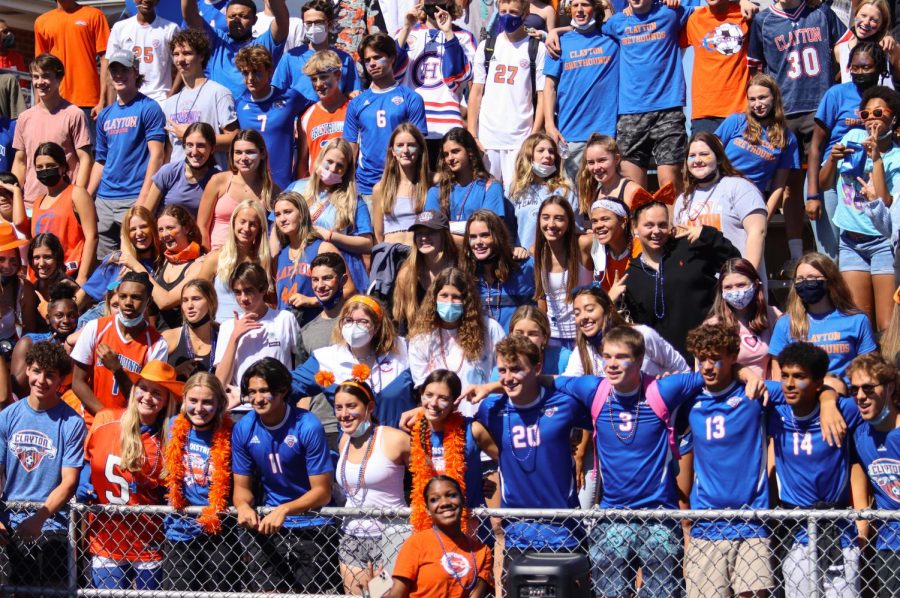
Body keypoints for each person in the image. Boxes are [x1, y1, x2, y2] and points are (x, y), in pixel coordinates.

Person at [681, 323, 784, 597]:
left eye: (715, 358)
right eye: (701, 358)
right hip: (707, 522)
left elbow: (807, 386)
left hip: (752, 521)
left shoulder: (755, 393)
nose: (707, 366)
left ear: (731, 357)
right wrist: (686, 525)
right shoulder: (689, 398)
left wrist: (830, 398)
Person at [748, 0, 844, 264]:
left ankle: (830, 252)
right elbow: (756, 69)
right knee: (790, 186)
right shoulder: (763, 21)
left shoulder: (822, 13)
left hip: (819, 107)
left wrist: (840, 84)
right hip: (785, 110)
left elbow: (845, 47)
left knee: (826, 181)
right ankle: (796, 255)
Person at [231, 357, 335, 593]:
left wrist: (285, 509)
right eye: (252, 392)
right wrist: (243, 506)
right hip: (270, 525)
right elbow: (242, 488)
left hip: (311, 525)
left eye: (265, 391)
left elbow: (322, 492)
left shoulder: (308, 425)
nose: (257, 398)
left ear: (283, 390)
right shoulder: (244, 428)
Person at [770, 342, 863, 597]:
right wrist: (745, 373)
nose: (789, 383)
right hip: (796, 534)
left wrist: (829, 400)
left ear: (817, 382)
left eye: (799, 377)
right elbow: (737, 375)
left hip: (839, 532)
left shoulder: (844, 410)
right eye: (785, 375)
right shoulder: (775, 410)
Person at [78, 361, 181, 590]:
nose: (147, 397)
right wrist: (83, 485)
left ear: (166, 402)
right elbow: (88, 462)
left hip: (147, 541)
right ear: (134, 389)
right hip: (106, 539)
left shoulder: (168, 441)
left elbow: (167, 493)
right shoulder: (105, 419)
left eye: (157, 393)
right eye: (143, 388)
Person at [0, 341, 84, 589]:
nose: (41, 380)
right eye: (36, 371)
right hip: (9, 519)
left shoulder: (72, 422)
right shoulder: (7, 416)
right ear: (27, 370)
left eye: (50, 375)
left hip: (52, 522)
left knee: (51, 590)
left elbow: (69, 482)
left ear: (61, 380)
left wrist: (39, 518)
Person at [819, 85, 899, 332]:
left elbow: (885, 203)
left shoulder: (896, 157)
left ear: (893, 117)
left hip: (882, 243)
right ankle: (866, 370)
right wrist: (832, 159)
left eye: (879, 113)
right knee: (859, 321)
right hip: (851, 241)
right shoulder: (850, 138)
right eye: (865, 114)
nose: (871, 119)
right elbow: (823, 183)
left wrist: (875, 158)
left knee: (887, 325)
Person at [623, 196, 741, 360]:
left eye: (662, 225)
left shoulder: (690, 248)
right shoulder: (631, 275)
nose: (656, 231)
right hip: (662, 365)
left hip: (706, 354)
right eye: (649, 225)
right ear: (635, 227)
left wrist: (707, 234)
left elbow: (734, 263)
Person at [333, 371, 411, 594]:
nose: (344, 414)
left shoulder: (394, 438)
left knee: (381, 595)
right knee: (357, 596)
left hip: (391, 536)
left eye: (351, 406)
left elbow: (429, 478)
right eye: (339, 407)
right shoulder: (344, 441)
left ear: (370, 407)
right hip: (352, 536)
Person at [603, 0, 692, 194]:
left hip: (667, 108)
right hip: (631, 112)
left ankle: (673, 225)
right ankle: (637, 225)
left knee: (670, 183)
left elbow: (711, 11)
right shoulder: (618, 22)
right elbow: (586, 29)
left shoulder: (670, 14)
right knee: (633, 189)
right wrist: (554, 32)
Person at [809, 42, 887, 261]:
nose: (859, 72)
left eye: (866, 68)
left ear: (879, 68)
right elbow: (815, 146)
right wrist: (812, 195)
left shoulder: (886, 98)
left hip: (871, 178)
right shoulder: (836, 94)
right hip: (831, 178)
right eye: (855, 67)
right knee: (832, 255)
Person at [162, 372, 237, 592]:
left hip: (218, 531)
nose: (199, 408)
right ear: (184, 400)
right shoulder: (172, 427)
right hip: (180, 529)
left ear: (219, 403)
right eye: (193, 401)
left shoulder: (232, 433)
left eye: (207, 402)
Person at [292, 294, 415, 429]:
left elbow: (434, 387)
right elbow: (285, 388)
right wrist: (305, 426)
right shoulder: (325, 359)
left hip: (400, 445)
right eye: (348, 320)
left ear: (377, 326)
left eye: (363, 321)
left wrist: (420, 410)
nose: (354, 327)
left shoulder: (405, 349)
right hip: (353, 447)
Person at [88, 50, 166, 260]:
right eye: (114, 70)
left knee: (134, 261)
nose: (118, 75)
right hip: (104, 200)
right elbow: (100, 160)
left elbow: (157, 156)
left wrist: (143, 198)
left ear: (135, 72)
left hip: (133, 197)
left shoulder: (149, 108)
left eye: (124, 69)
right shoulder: (105, 114)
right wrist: (87, 196)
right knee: (105, 265)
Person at [468, 0, 546, 191]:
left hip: (520, 138)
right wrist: (472, 133)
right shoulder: (487, 47)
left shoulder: (536, 49)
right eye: (503, 11)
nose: (507, 16)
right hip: (488, 139)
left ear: (525, 13)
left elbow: (542, 95)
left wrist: (534, 135)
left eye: (513, 12)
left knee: (517, 196)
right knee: (487, 197)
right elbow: (476, 92)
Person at [70, 271, 168, 421]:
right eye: (123, 296)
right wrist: (105, 416)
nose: (128, 302)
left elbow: (146, 398)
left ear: (148, 302)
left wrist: (117, 369)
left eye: (136, 297)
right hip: (92, 420)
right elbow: (77, 382)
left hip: (130, 424)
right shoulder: (95, 327)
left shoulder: (157, 344)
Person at [408, 370, 497, 535]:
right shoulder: (413, 430)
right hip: (429, 527)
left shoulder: (473, 429)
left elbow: (506, 461)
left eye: (443, 398)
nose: (433, 403)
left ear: (454, 402)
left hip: (471, 527)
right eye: (428, 395)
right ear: (421, 395)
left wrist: (492, 480)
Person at [673, 131, 769, 281]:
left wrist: (747, 277)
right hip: (700, 291)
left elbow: (758, 233)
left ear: (718, 158)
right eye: (692, 156)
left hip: (735, 284)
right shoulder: (682, 200)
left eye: (704, 154)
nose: (697, 160)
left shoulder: (739, 187)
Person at [343, 32, 428, 200]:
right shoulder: (356, 103)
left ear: (392, 58)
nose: (372, 64)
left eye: (377, 57)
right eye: (367, 60)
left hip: (402, 185)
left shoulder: (411, 98)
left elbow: (419, 147)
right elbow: (350, 148)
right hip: (365, 187)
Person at [768, 252, 878, 379]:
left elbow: (868, 370)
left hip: (844, 395)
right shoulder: (785, 323)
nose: (805, 283)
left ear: (829, 281)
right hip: (802, 396)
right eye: (799, 279)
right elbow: (778, 377)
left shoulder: (857, 320)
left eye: (811, 278)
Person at [544, 0, 619, 180]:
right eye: (575, 5)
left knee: (605, 201)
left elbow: (615, 19)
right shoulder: (559, 43)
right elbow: (549, 86)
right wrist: (549, 124)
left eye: (584, 4)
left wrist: (556, 29)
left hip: (606, 134)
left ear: (595, 8)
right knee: (571, 201)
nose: (579, 10)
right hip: (570, 135)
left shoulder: (612, 39)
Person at [408, 268, 505, 405]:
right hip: (441, 416)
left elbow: (507, 371)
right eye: (444, 295)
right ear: (434, 297)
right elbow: (422, 388)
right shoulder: (421, 338)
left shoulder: (489, 329)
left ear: (466, 300)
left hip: (481, 413)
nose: (449, 302)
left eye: (456, 297)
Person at [385, 475, 493, 598]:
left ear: (463, 500)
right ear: (427, 510)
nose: (444, 503)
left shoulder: (482, 552)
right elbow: (397, 594)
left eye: (451, 495)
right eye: (434, 499)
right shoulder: (416, 543)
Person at [846, 352, 900, 598]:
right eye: (855, 389)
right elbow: (860, 494)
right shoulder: (859, 437)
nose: (860, 396)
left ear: (889, 388)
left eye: (868, 388)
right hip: (890, 546)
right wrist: (861, 537)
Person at [214, 262, 301, 409]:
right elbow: (220, 383)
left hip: (279, 407)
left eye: (248, 291)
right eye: (237, 292)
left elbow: (301, 363)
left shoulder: (285, 319)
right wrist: (235, 337)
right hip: (241, 409)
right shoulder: (228, 327)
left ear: (263, 289)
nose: (243, 298)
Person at [11, 53, 92, 209]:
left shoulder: (74, 114)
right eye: (36, 77)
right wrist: (14, 195)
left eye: (46, 76)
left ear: (59, 78)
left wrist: (77, 198)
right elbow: (20, 162)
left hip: (64, 202)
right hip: (30, 203)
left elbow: (85, 159)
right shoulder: (24, 118)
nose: (40, 82)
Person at [395, 0, 476, 154]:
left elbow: (458, 76)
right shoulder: (406, 32)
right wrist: (406, 28)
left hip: (447, 126)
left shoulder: (464, 36)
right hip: (410, 125)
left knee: (445, 177)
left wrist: (448, 33)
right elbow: (391, 72)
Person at [715, 73, 799, 219]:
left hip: (750, 200)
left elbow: (778, 185)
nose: (757, 104)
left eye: (762, 97)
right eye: (752, 99)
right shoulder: (736, 121)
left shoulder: (787, 138)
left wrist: (765, 218)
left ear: (774, 97)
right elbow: (708, 153)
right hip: (720, 192)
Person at [299, 139, 374, 292]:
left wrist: (330, 236)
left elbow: (367, 243)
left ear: (347, 171)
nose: (333, 168)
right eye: (329, 161)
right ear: (320, 159)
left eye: (340, 166)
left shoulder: (354, 200)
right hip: (300, 268)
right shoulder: (296, 188)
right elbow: (276, 230)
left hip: (335, 274)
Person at [563, 285, 689, 376]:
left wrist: (668, 390)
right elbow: (568, 381)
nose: (583, 317)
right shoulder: (584, 348)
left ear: (608, 310)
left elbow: (682, 369)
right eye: (577, 313)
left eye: (590, 309)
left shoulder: (642, 335)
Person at [234, 46, 313, 190]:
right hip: (250, 186)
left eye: (256, 72)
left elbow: (316, 110)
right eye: (246, 73)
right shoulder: (240, 104)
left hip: (282, 185)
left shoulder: (290, 97)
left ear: (269, 72)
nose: (250, 78)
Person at [180, 0, 289, 101]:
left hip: (252, 114)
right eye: (232, 16)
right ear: (225, 19)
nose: (237, 20)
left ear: (254, 20)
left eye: (243, 16)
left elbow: (282, 20)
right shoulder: (215, 40)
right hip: (219, 112)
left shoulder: (264, 44)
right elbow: (190, 14)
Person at [162, 29, 238, 169]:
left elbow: (234, 137)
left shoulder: (219, 93)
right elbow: (169, 150)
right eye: (176, 54)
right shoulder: (170, 102)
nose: (180, 59)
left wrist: (192, 136)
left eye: (187, 53)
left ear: (201, 56)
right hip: (178, 181)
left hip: (211, 178)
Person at [120, 205, 205, 330]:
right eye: (160, 230)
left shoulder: (199, 265)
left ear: (186, 228)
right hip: (157, 335)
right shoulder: (164, 258)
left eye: (170, 228)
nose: (164, 234)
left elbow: (165, 302)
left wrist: (137, 267)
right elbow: (129, 239)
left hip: (180, 336)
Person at [297, 252, 350, 449]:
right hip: (320, 427)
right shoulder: (307, 331)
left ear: (343, 280)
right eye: (315, 279)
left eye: (327, 278)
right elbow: (302, 387)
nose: (320, 285)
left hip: (354, 422)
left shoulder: (360, 321)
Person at [423, 127, 509, 243]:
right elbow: (433, 229)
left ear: (470, 151)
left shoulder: (491, 187)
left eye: (455, 151)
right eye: (446, 154)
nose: (450, 158)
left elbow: (488, 227)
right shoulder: (436, 191)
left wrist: (449, 226)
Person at [30, 141, 97, 285]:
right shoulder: (37, 202)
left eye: (50, 166)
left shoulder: (77, 194)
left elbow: (92, 237)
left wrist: (82, 277)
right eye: (40, 167)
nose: (45, 170)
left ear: (63, 167)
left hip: (71, 275)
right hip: (43, 278)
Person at [198, 130, 276, 251]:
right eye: (238, 152)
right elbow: (202, 226)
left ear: (262, 154)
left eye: (250, 152)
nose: (243, 158)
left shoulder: (272, 190)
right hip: (216, 257)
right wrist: (207, 257)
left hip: (251, 263)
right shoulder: (218, 181)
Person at [196, 199, 272, 323]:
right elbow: (199, 295)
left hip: (256, 329)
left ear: (259, 229)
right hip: (221, 328)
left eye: (253, 224)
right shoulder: (215, 258)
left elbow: (269, 300)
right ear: (233, 222)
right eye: (242, 222)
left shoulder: (263, 261)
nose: (246, 228)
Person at [34, 0, 110, 123]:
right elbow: (39, 67)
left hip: (89, 102)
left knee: (88, 143)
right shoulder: (41, 22)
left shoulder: (94, 15)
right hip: (54, 101)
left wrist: (102, 101)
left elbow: (106, 59)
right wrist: (38, 103)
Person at [680, 0, 749, 135]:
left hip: (741, 111)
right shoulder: (695, 19)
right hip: (704, 114)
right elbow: (662, 36)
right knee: (702, 156)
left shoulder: (745, 15)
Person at [272, 0, 360, 104]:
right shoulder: (290, 58)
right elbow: (277, 94)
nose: (313, 27)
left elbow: (354, 93)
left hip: (333, 117)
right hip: (300, 118)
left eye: (318, 22)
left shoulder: (344, 59)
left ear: (330, 24)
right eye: (309, 23)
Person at [705, 258, 781, 378]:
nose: (735, 292)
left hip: (769, 391)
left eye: (741, 285)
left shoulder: (772, 315)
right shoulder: (713, 326)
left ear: (755, 284)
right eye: (728, 287)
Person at [272, 191, 342, 320]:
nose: (282, 219)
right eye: (277, 215)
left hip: (316, 329)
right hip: (287, 332)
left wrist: (311, 301)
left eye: (288, 212)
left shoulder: (323, 248)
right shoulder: (280, 256)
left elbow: (348, 291)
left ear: (302, 214)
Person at [533, 196, 593, 346]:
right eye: (545, 218)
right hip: (553, 337)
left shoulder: (582, 245)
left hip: (584, 335)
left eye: (559, 219)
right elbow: (542, 296)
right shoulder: (537, 251)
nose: (551, 224)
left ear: (569, 222)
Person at [462, 209, 535, 331]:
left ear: (498, 236)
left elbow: (539, 312)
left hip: (516, 347)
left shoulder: (524, 267)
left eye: (485, 235)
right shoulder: (466, 274)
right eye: (473, 237)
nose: (478, 242)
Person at [77, 206, 159, 313]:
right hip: (102, 315)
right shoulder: (116, 260)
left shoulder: (161, 263)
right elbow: (84, 294)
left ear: (153, 228)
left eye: (143, 227)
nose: (139, 233)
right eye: (133, 229)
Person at [392, 210, 459, 334]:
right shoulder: (407, 273)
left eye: (431, 232)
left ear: (444, 235)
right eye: (419, 233)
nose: (423, 238)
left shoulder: (459, 268)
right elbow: (402, 319)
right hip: (418, 340)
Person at [508, 133, 577, 248]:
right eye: (541, 151)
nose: (548, 155)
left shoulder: (566, 189)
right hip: (524, 260)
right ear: (529, 155)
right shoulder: (515, 190)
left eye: (551, 151)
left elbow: (575, 228)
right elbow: (507, 229)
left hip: (556, 259)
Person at [104, 0, 179, 104]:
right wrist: (111, 106)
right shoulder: (119, 28)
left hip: (159, 100)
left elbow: (181, 67)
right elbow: (110, 69)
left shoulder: (170, 29)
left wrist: (171, 97)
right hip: (126, 100)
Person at [10, 285, 78, 397]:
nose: (66, 320)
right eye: (59, 316)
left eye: (71, 316)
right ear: (47, 318)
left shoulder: (82, 343)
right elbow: (17, 389)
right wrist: (38, 354)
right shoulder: (29, 342)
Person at [145, 122, 223, 217]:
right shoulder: (168, 172)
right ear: (184, 146)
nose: (194, 152)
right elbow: (147, 216)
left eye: (200, 145)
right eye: (190, 145)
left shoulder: (218, 179)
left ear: (212, 149)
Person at [372, 123, 430, 245]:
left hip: (418, 254)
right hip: (390, 253)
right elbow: (378, 234)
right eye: (399, 145)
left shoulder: (430, 183)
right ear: (392, 151)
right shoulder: (380, 188)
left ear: (420, 149)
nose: (405, 150)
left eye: (411, 145)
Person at [297, 50, 351, 179]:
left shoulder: (353, 109)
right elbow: (303, 161)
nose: (318, 84)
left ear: (337, 75)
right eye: (314, 79)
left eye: (324, 77)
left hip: (347, 186)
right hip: (316, 189)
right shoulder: (306, 116)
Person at [576, 134, 645, 222]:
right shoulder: (594, 195)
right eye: (591, 162)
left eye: (602, 160)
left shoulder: (632, 191)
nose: (596, 167)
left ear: (616, 159)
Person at [163, 279, 219, 382]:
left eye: (196, 299)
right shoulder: (169, 337)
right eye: (185, 300)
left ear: (211, 302)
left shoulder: (222, 337)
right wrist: (175, 372)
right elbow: (151, 379)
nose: (189, 306)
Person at [834, 0, 900, 83]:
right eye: (863, 15)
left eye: (873, 20)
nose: (866, 22)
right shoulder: (840, 50)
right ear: (855, 15)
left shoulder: (889, 48)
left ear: (881, 25)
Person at [589, 194, 635, 294]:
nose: (598, 225)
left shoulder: (641, 249)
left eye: (605, 219)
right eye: (594, 221)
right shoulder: (599, 255)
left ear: (623, 221)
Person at [27, 233, 78, 320]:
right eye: (36, 257)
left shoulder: (67, 286)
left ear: (57, 258)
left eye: (47, 257)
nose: (42, 263)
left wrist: (46, 312)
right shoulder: (34, 287)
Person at [0, 222, 38, 337]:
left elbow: (30, 334)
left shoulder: (24, 288)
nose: (7, 266)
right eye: (1, 259)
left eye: (13, 260)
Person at [508, 305, 569, 374]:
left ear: (544, 338)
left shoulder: (564, 359)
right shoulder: (504, 365)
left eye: (532, 334)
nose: (525, 339)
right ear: (511, 335)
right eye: (519, 333)